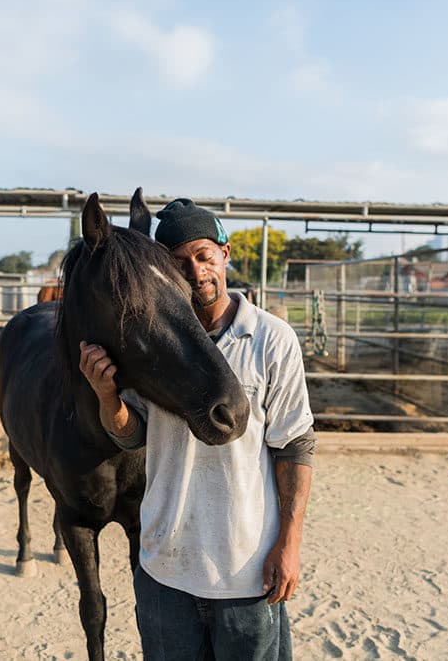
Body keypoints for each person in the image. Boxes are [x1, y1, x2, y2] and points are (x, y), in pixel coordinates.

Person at [78, 198, 315, 660]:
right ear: (163, 271)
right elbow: (130, 435)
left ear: (225, 253)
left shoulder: (271, 339)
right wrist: (106, 396)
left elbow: (294, 445)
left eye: (204, 255)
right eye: (179, 262)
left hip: (247, 569)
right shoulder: (146, 341)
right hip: (164, 568)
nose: (197, 270)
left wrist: (290, 542)